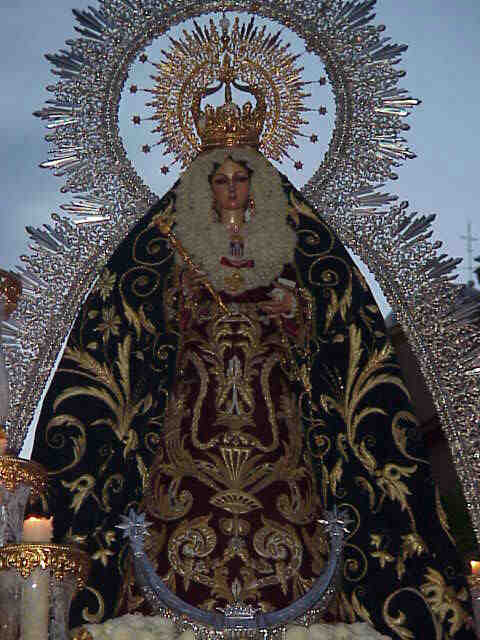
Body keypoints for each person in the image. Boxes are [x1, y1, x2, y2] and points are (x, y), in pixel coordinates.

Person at [31, 141, 475, 638]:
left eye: (240, 180)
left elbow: (331, 325)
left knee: (287, 494)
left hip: (270, 402)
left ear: (255, 186)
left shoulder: (285, 242)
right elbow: (144, 328)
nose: (231, 190)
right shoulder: (180, 243)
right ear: (206, 188)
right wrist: (181, 302)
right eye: (221, 181)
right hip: (197, 401)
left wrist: (296, 310)